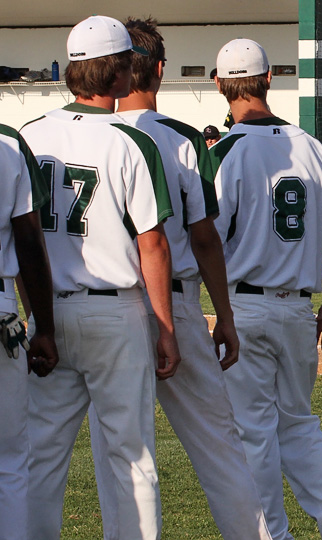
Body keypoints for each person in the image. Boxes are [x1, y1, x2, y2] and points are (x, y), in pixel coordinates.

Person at [85, 18, 273, 540]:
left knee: (119, 452)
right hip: (177, 301)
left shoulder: (75, 134)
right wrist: (226, 314)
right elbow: (206, 238)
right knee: (219, 445)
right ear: (159, 69)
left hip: (109, 305)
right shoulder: (183, 139)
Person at [20, 15, 180, 540]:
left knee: (41, 454)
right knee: (130, 457)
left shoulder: (29, 135)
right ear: (121, 76)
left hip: (50, 308)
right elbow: (152, 244)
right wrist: (166, 327)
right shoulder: (133, 141)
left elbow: (22, 241)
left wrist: (36, 316)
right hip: (117, 312)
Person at [210, 38, 322, 540]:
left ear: (219, 84)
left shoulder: (223, 152)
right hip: (299, 309)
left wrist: (222, 312)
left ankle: (271, 534)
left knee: (254, 433)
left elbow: (209, 241)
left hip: (246, 303)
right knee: (299, 422)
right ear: (268, 80)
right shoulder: (309, 146)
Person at [0, 125, 58, 540]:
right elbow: (28, 239)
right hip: (1, 311)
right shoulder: (6, 142)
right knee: (9, 463)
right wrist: (44, 325)